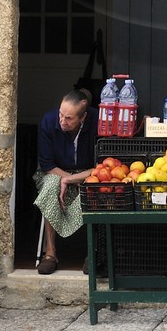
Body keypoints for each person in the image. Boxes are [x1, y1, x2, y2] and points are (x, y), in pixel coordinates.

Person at [34, 89, 98, 275]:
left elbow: (102, 165)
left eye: (69, 118)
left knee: (97, 188)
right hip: (55, 170)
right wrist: (65, 178)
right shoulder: (48, 121)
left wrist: (72, 179)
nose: (62, 121)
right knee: (51, 185)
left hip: (86, 172)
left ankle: (92, 253)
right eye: (61, 114)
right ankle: (50, 253)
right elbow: (46, 164)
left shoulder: (98, 122)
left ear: (83, 117)